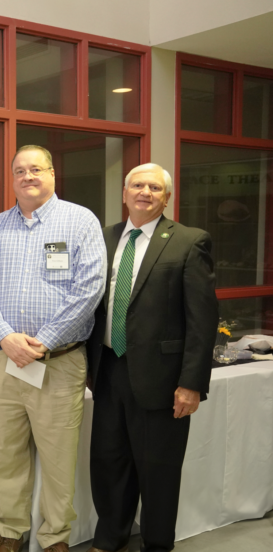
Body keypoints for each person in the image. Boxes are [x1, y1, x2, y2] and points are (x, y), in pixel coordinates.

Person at [0, 145, 106, 552]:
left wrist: (44, 341)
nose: (28, 176)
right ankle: (10, 531)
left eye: (36, 169)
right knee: (5, 452)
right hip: (3, 360)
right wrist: (7, 337)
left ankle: (55, 536)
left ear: (52, 174)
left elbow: (90, 289)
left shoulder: (79, 222)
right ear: (12, 179)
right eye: (20, 171)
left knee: (59, 458)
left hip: (59, 362)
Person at [85, 164, 217, 552]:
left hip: (163, 378)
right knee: (109, 462)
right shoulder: (103, 239)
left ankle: (157, 544)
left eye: (154, 187)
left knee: (158, 470)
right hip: (108, 369)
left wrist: (191, 383)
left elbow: (203, 320)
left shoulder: (190, 242)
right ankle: (110, 537)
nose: (145, 192)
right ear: (124, 194)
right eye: (137, 185)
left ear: (166, 197)